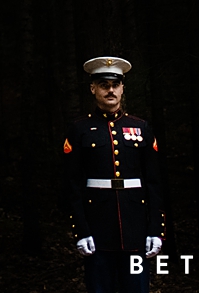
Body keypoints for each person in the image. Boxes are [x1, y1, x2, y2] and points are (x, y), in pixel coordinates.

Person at [61, 57, 165, 293]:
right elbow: (72, 184)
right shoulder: (79, 130)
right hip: (98, 229)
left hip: (135, 228)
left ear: (122, 88)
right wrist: (81, 230)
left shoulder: (140, 128)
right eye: (104, 84)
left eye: (115, 85)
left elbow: (154, 183)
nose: (110, 90)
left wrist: (156, 230)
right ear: (93, 88)